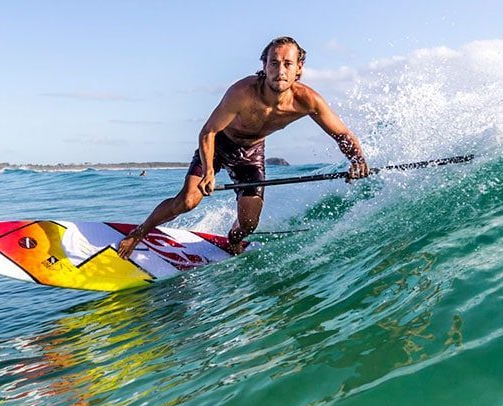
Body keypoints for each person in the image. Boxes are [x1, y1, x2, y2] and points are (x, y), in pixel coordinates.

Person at [117, 36, 369, 258]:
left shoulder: (307, 101)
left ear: (299, 69)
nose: (280, 70)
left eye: (287, 64)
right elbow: (209, 131)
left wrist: (357, 160)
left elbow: (343, 135)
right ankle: (139, 233)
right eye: (274, 63)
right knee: (188, 200)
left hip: (251, 153)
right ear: (264, 67)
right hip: (218, 145)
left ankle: (234, 240)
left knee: (249, 223)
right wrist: (208, 172)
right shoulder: (243, 92)